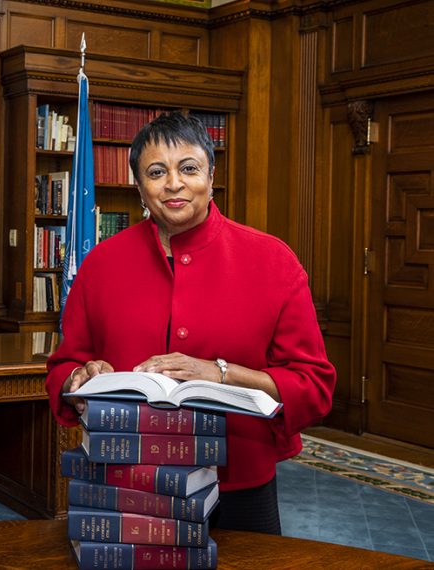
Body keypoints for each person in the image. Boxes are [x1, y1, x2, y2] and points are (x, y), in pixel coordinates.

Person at [45, 111, 335, 535]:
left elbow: (314, 385)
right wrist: (78, 380)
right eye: (157, 172)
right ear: (139, 186)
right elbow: (63, 367)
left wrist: (221, 374)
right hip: (131, 476)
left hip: (239, 480)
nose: (174, 184)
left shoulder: (273, 261)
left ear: (211, 176)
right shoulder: (102, 264)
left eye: (189, 168)